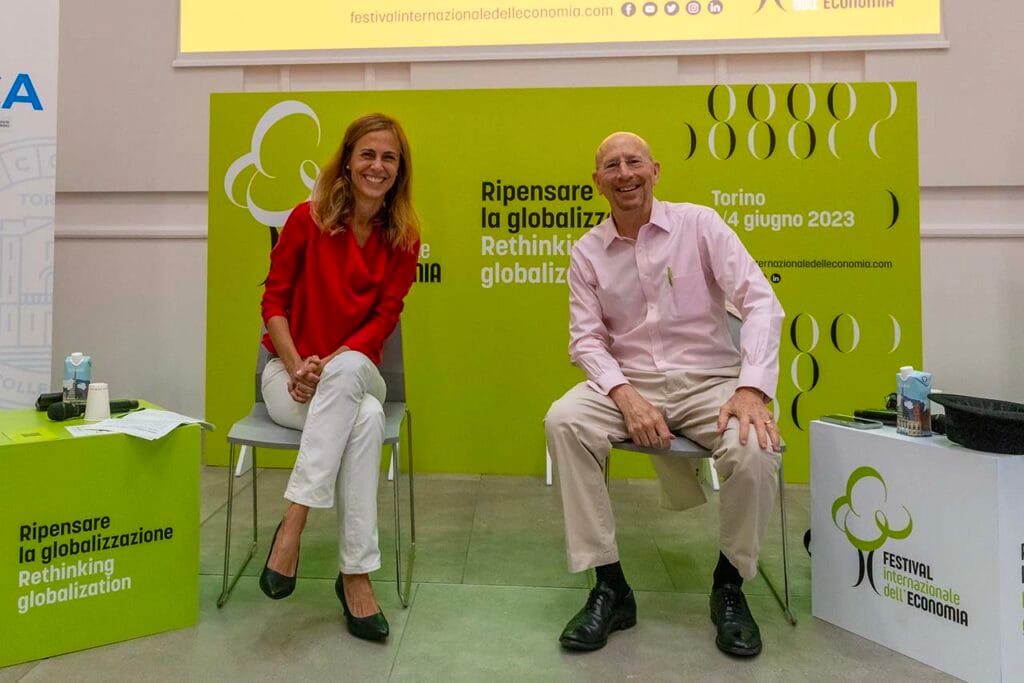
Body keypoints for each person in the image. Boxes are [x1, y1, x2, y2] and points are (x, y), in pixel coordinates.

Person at [544, 132, 784, 656]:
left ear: (655, 170)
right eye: (612, 165)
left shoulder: (700, 225)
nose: (624, 173)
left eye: (634, 162)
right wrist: (625, 396)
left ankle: (729, 586)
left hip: (710, 380)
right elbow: (585, 340)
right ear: (598, 182)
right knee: (565, 420)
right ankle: (610, 586)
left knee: (755, 446)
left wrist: (751, 388)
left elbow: (761, 302)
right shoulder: (587, 252)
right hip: (630, 382)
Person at [257, 113, 420, 642]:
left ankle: (295, 520)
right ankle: (356, 575)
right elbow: (274, 302)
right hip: (288, 377)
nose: (377, 166)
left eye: (389, 157)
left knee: (349, 373)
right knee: (365, 419)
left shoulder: (404, 238)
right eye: (367, 154)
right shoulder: (305, 220)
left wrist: (327, 363)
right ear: (347, 161)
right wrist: (297, 365)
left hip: (355, 368)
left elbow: (384, 318)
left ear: (400, 170)